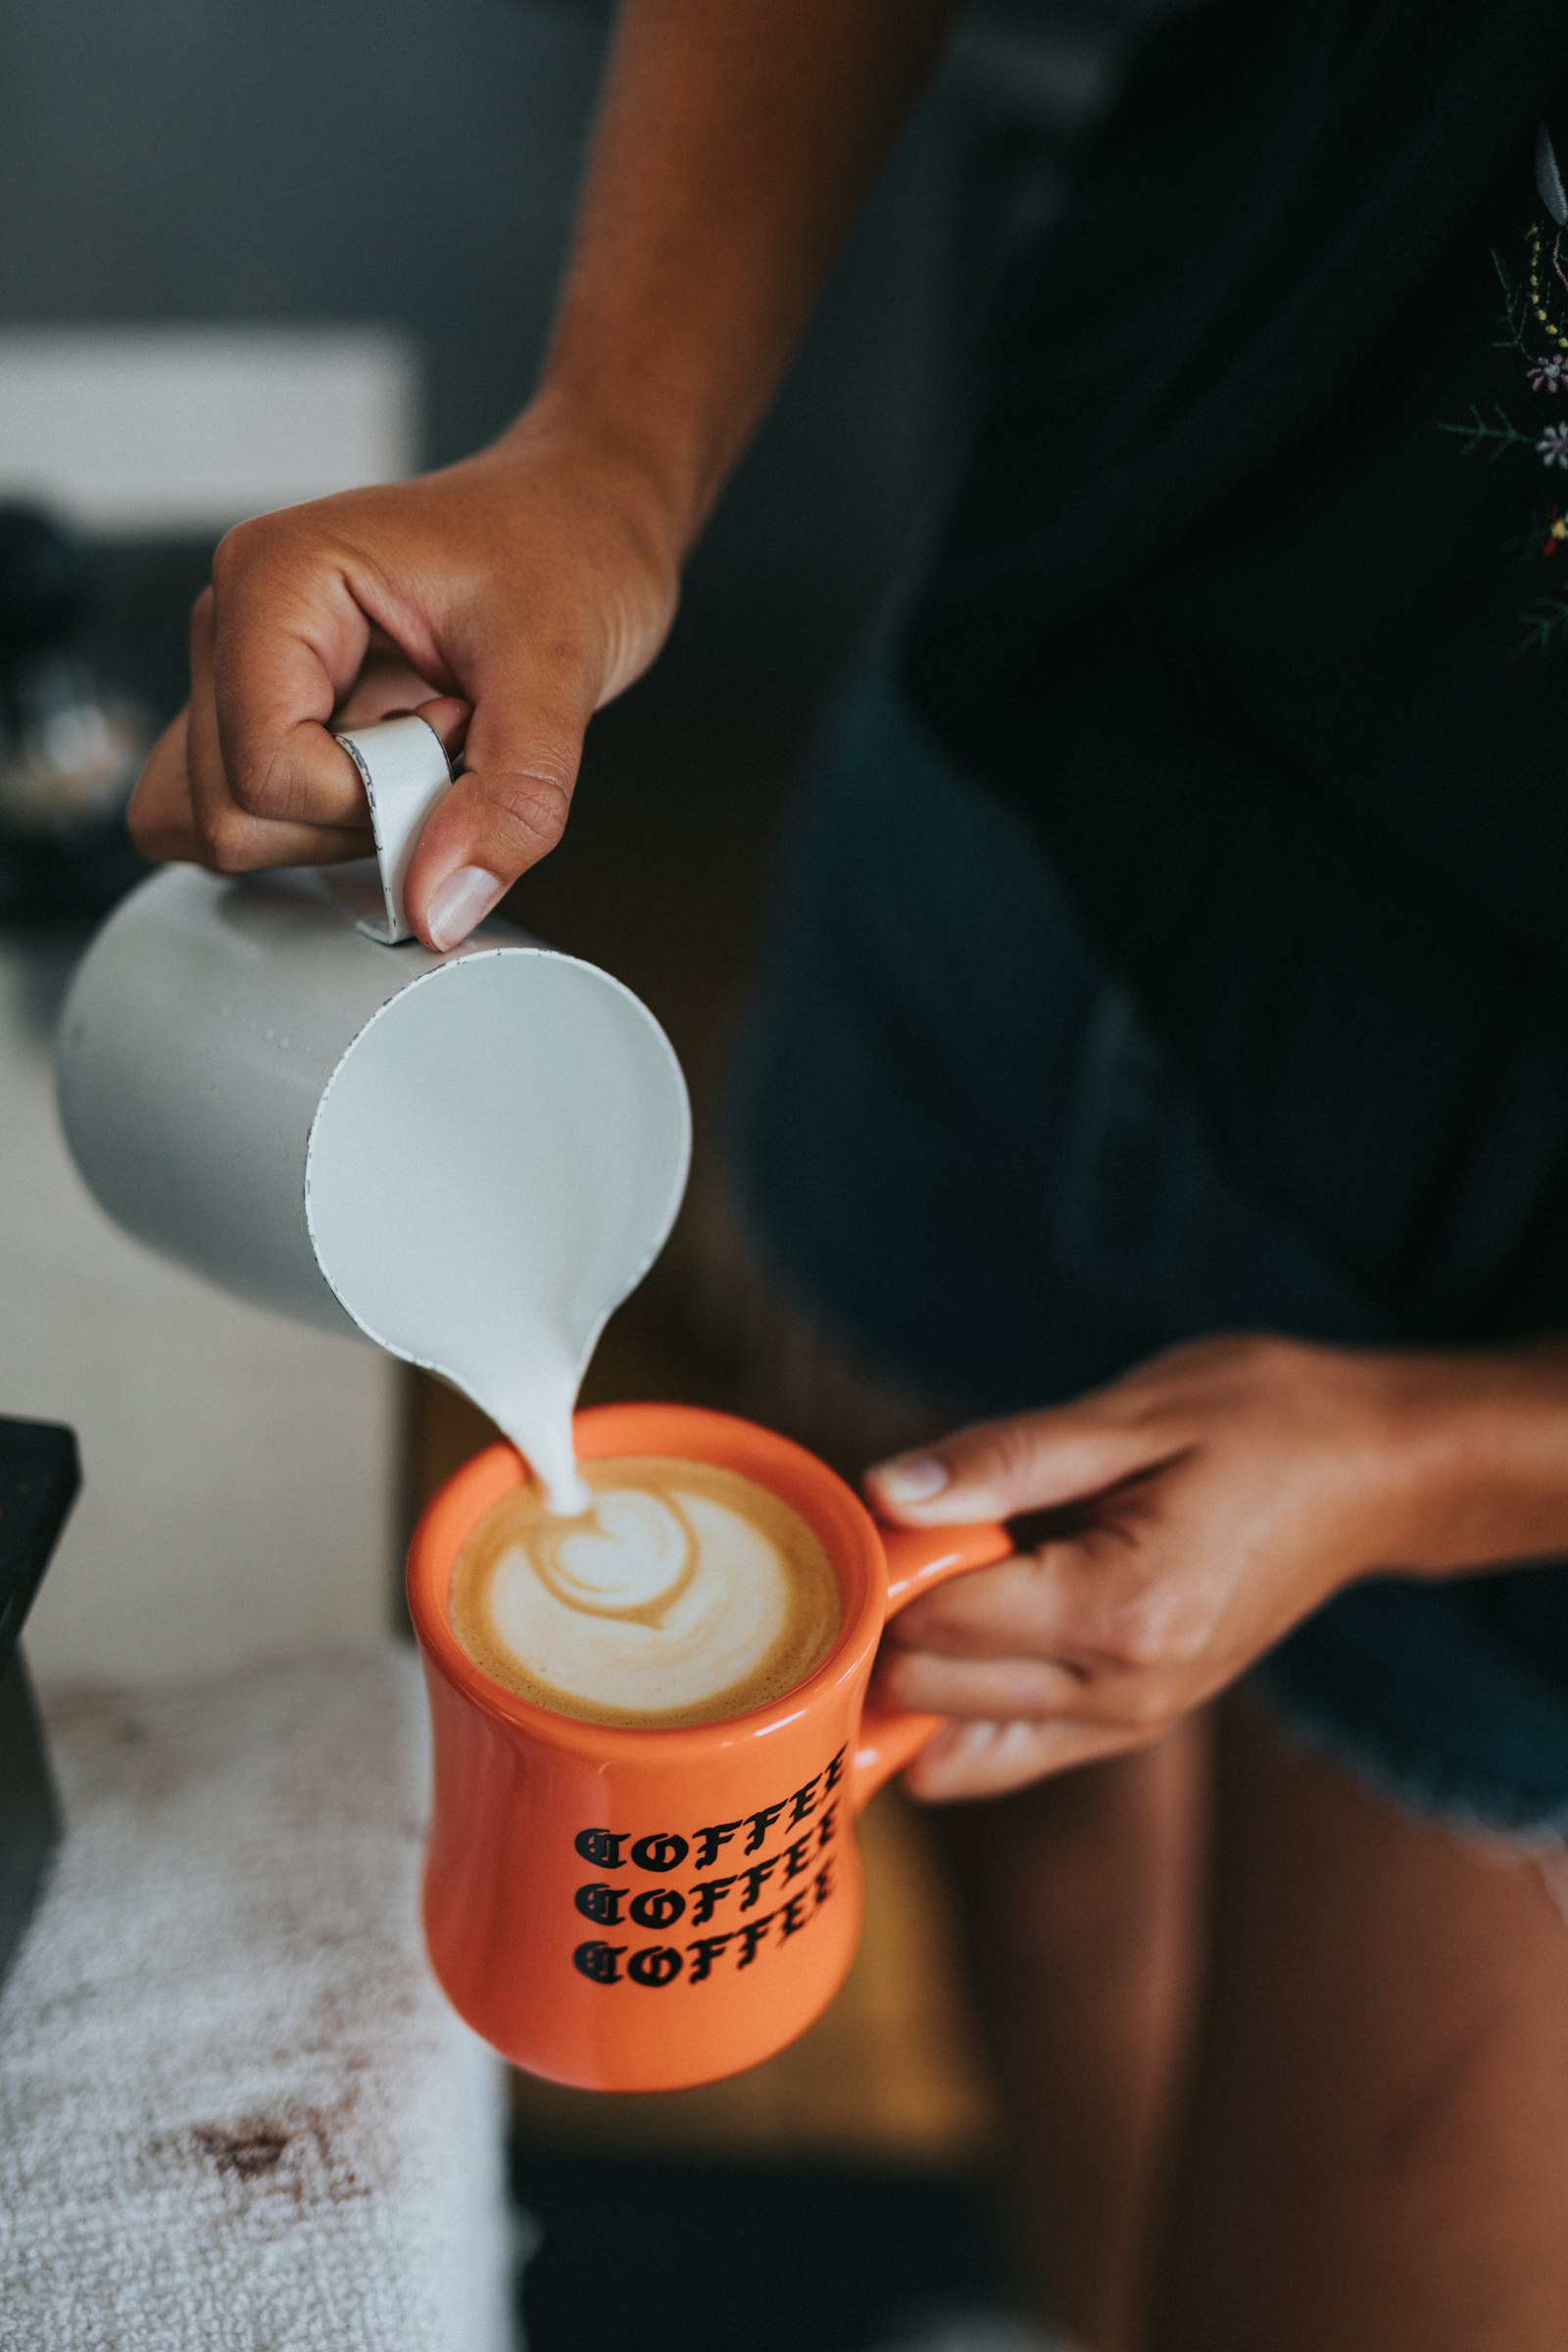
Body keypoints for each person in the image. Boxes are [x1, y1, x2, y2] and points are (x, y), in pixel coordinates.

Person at [128, 3, 1568, 2343]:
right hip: (1045, 736)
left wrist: (1422, 1462)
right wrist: (605, 451)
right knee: (1042, 1850)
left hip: (1510, 1278)